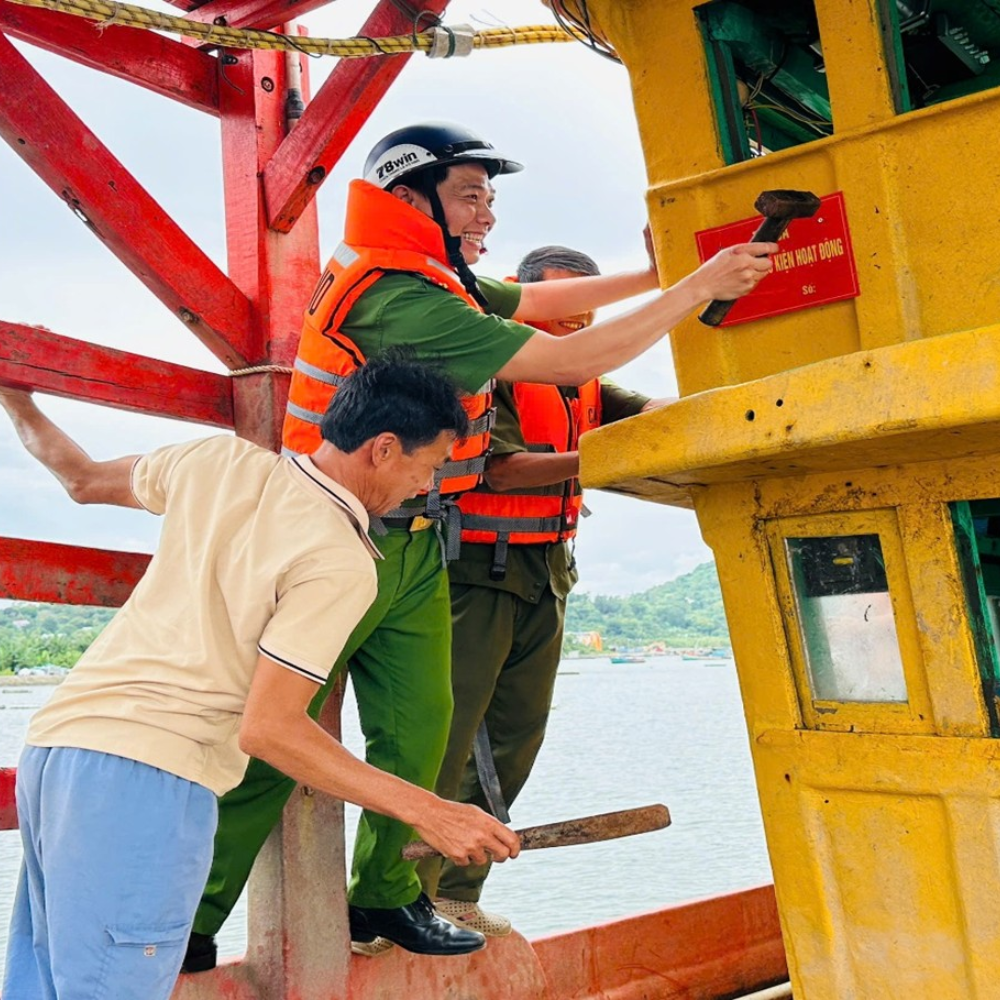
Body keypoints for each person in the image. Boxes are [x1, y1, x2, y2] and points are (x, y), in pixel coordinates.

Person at [188, 120, 776, 964]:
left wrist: (663, 272)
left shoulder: (436, 276)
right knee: (284, 746)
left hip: (419, 537)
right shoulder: (400, 298)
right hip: (335, 535)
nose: (486, 215)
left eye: (490, 198)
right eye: (470, 196)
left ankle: (385, 897)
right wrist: (698, 288)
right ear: (409, 199)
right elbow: (572, 360)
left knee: (427, 732)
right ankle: (194, 916)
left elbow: (540, 302)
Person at [0, 355, 520, 1000]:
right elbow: (270, 730)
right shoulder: (340, 559)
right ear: (384, 448)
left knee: (42, 982)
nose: (426, 482)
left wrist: (18, 400)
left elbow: (79, 480)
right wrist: (430, 810)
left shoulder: (216, 463)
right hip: (153, 775)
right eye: (431, 464)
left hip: (58, 751)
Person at [422, 246, 669, 934]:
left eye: (586, 313)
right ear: (527, 305)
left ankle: (455, 895)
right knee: (446, 740)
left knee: (515, 740)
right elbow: (502, 471)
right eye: (560, 313)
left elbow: (652, 412)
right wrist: (609, 457)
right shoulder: (494, 364)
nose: (574, 328)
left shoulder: (588, 381)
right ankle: (398, 896)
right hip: (476, 569)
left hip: (548, 572)